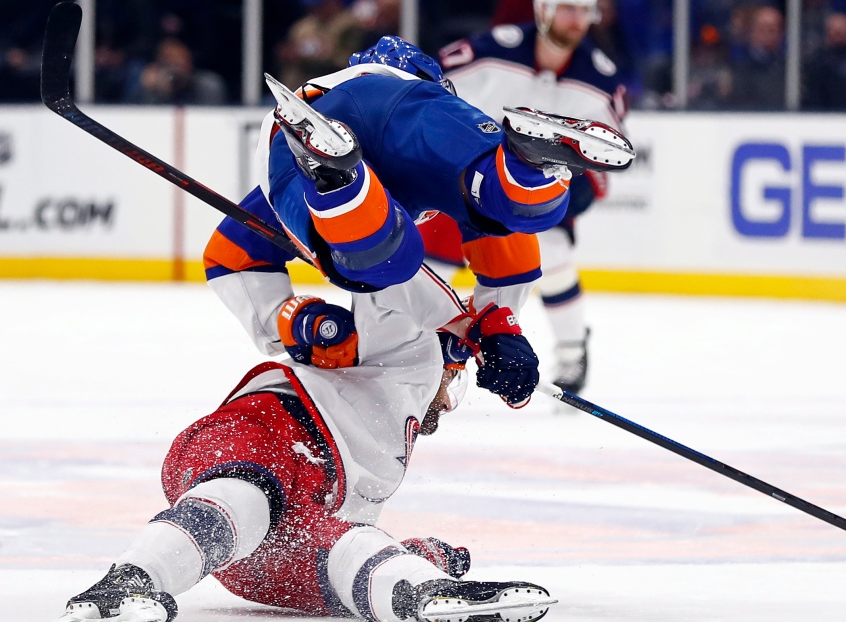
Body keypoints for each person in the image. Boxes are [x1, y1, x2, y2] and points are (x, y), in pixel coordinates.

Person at [54, 265, 557, 622]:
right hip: (265, 432)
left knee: (344, 554)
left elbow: (347, 532)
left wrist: (423, 557)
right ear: (443, 362)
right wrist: (487, 330)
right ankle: (125, 584)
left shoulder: (393, 450)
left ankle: (428, 597)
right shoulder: (409, 349)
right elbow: (390, 270)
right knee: (244, 496)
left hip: (264, 558)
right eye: (456, 382)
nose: (449, 404)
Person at [221, 35, 632, 407]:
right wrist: (498, 327)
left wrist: (495, 330)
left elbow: (228, 256)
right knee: (492, 203)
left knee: (384, 256)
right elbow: (495, 242)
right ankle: (524, 168)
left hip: (321, 109)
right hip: (413, 106)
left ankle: (339, 180)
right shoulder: (426, 95)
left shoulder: (354, 87)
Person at [432, 0, 629, 394]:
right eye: (568, 8)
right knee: (423, 265)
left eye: (584, 11)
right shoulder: (488, 50)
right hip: (463, 179)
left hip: (535, 191)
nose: (577, 19)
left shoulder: (601, 79)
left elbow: (606, 164)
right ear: (542, 9)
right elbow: (426, 91)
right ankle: (413, 350)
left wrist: (550, 200)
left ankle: (573, 353)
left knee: (551, 247)